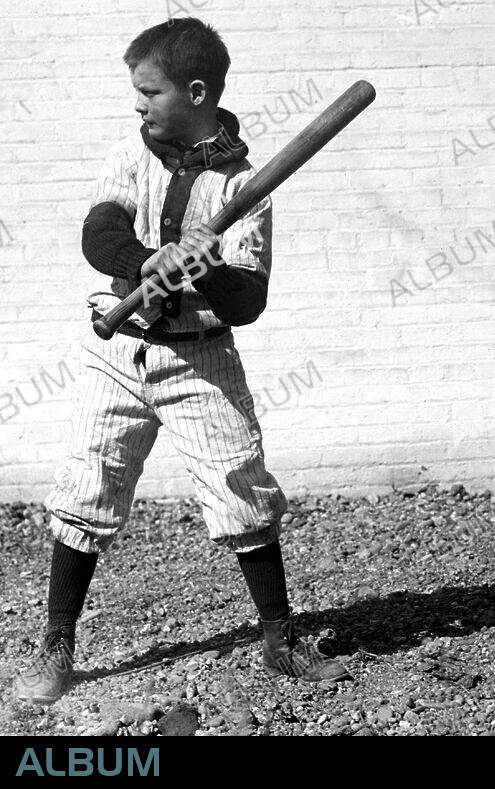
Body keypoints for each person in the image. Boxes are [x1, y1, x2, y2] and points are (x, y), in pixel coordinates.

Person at [14, 17, 347, 706]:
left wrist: (207, 269)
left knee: (241, 487)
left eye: (149, 91)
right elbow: (98, 232)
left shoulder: (243, 185)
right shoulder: (129, 155)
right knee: (86, 484)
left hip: (201, 357)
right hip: (121, 350)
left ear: (195, 93)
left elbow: (248, 297)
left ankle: (281, 640)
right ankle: (57, 644)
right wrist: (146, 261)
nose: (137, 103)